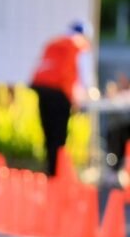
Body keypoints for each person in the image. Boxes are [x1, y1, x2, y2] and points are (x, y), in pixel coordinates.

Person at [29, 21, 96, 176]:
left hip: (42, 89)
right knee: (59, 135)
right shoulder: (78, 46)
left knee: (48, 133)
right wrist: (90, 94)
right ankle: (57, 173)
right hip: (59, 92)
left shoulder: (55, 43)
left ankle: (50, 169)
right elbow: (85, 77)